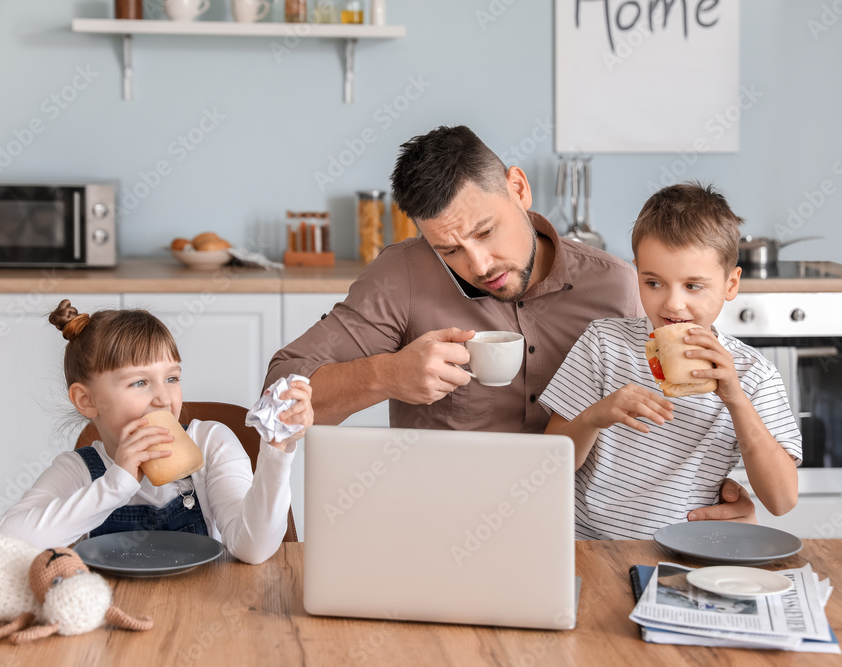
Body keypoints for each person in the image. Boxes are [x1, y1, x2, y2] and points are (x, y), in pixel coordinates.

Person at [268, 125, 757, 523]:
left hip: (575, 533)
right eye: (449, 250)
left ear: (518, 189)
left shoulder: (619, 286)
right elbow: (279, 391)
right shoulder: (403, 276)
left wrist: (717, 500)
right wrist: (387, 376)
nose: (479, 263)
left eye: (485, 231)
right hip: (442, 525)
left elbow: (655, 423)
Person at [541, 182, 801, 540]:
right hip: (588, 547)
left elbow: (782, 500)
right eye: (654, 283)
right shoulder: (603, 343)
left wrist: (736, 399)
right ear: (637, 274)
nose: (673, 304)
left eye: (693, 286)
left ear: (730, 283)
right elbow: (549, 467)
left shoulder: (754, 375)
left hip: (690, 550)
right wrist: (595, 416)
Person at [0, 299, 313, 565]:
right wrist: (117, 484)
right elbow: (3, 544)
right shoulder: (77, 470)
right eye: (140, 382)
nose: (163, 398)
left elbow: (253, 549)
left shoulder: (212, 443)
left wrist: (277, 451)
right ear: (86, 400)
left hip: (206, 607)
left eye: (171, 378)